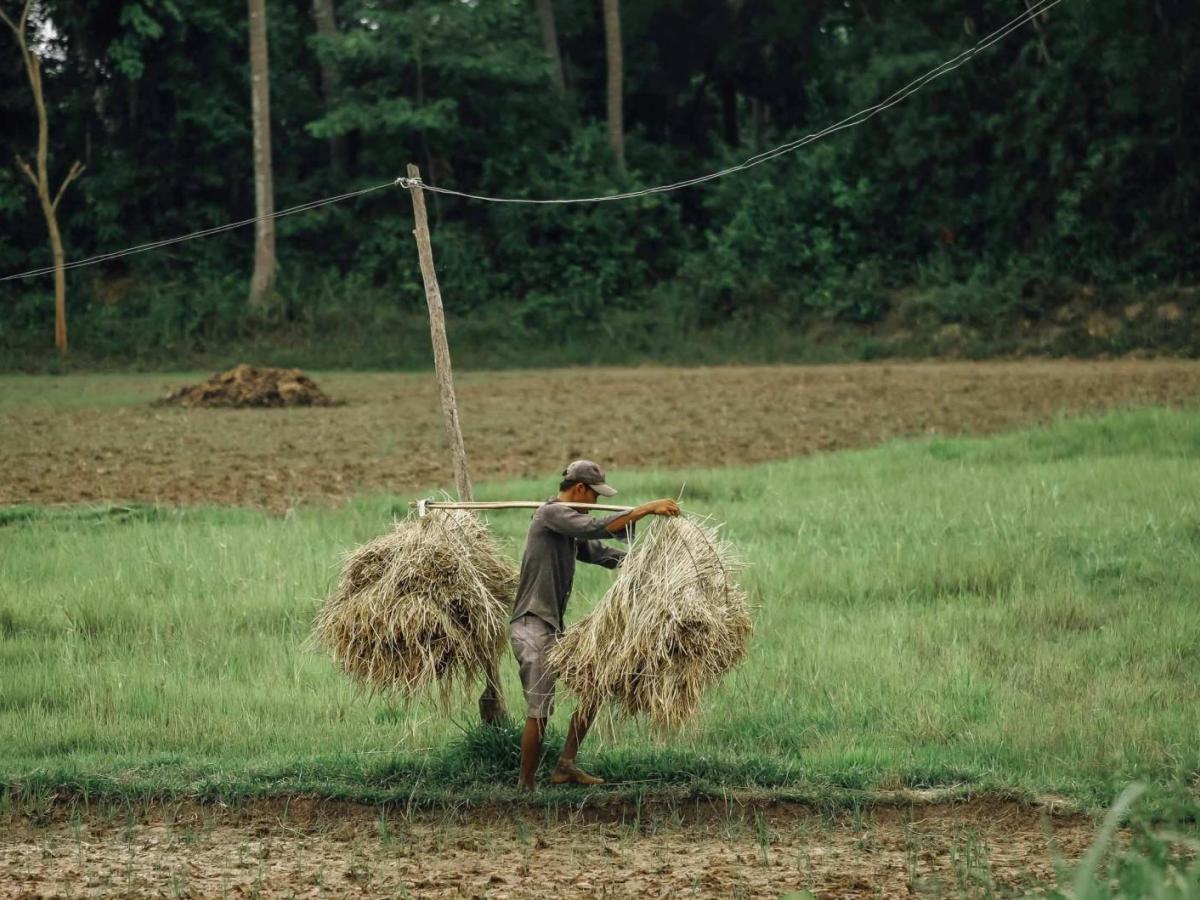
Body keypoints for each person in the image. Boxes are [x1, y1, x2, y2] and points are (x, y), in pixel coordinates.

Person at [504, 459, 679, 790]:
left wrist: (647, 564)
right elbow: (594, 527)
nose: (596, 504)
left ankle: (565, 766)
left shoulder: (567, 526)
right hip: (533, 626)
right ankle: (524, 787)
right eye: (594, 497)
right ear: (580, 489)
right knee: (540, 708)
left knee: (595, 684)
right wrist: (645, 509)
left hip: (553, 627)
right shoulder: (550, 514)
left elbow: (597, 551)